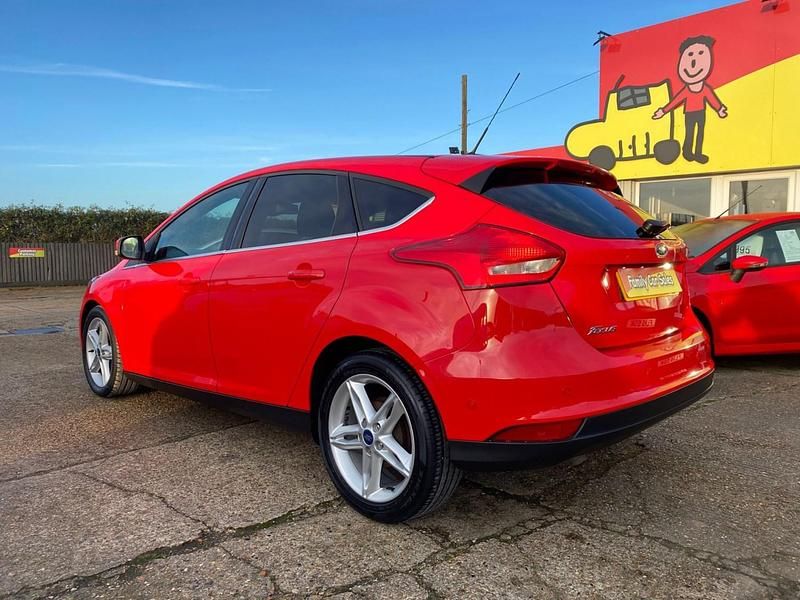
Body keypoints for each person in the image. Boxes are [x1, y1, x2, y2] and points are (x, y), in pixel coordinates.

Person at [653, 35, 727, 164]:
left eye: (700, 54)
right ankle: (687, 152)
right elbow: (676, 101)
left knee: (700, 133)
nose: (694, 62)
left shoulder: (705, 88)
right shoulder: (687, 90)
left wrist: (719, 109)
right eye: (690, 55)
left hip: (701, 112)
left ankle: (697, 153)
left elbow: (712, 99)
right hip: (689, 113)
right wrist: (663, 111)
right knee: (689, 132)